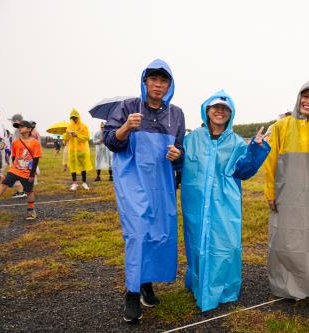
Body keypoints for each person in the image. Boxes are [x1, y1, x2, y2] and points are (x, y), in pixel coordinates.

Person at [103, 58, 185, 323]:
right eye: (153, 79)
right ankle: (131, 292)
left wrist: (178, 154)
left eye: (163, 81)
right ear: (145, 81)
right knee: (138, 234)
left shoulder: (176, 114)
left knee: (159, 233)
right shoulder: (127, 107)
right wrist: (126, 127)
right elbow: (111, 142)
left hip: (162, 184)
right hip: (132, 182)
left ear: (169, 85)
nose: (158, 85)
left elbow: (181, 153)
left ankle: (147, 283)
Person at [181, 90, 270, 312]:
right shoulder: (191, 140)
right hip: (197, 204)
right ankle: (198, 284)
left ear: (230, 114)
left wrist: (256, 151)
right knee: (197, 243)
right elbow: (179, 164)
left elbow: (245, 170)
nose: (220, 112)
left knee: (227, 245)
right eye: (216, 107)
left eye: (225, 109)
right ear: (207, 110)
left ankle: (225, 289)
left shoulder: (238, 142)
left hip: (224, 203)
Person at [264, 79, 309, 300]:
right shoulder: (280, 127)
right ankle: (284, 286)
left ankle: (308, 284)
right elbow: (270, 162)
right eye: (306, 96)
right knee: (284, 238)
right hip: (287, 193)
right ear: (299, 97)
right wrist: (270, 192)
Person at [0, 120, 41, 219]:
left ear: (29, 129)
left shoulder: (35, 143)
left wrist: (32, 174)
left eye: (22, 126)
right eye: (18, 127)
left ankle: (31, 211)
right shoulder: (16, 142)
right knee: (4, 184)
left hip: (28, 172)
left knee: (29, 191)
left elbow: (36, 159)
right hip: (15, 170)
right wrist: (14, 167)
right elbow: (14, 156)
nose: (19, 128)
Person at [64, 108, 92, 190]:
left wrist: (77, 135)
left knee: (83, 166)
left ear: (78, 117)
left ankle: (84, 182)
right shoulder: (69, 126)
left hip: (82, 150)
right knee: (72, 166)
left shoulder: (84, 126)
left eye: (75, 117)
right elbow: (65, 138)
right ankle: (74, 183)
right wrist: (67, 133)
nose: (74, 119)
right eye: (72, 118)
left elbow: (87, 137)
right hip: (72, 150)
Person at [7, 114, 27, 198]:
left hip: (19, 155)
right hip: (22, 155)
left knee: (17, 173)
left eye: (13, 121)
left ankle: (21, 191)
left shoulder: (18, 131)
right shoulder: (21, 129)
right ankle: (22, 191)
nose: (12, 123)